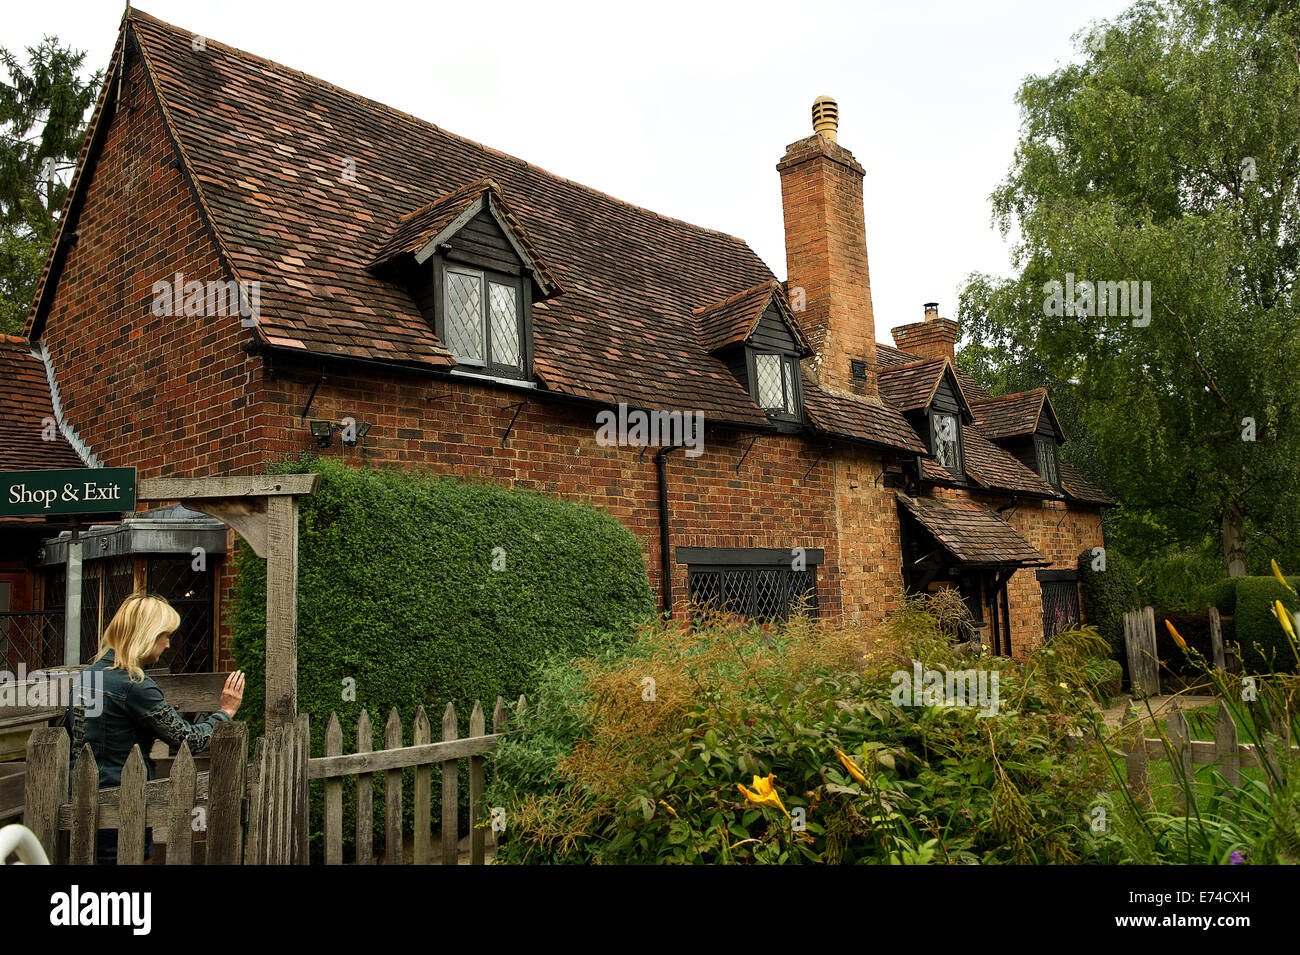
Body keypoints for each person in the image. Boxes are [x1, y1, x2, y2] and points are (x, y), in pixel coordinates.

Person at [66, 592, 245, 863]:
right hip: (123, 802)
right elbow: (187, 740)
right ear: (146, 635)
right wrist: (225, 712)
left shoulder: (87, 676)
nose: (169, 644)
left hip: (80, 798)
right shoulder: (134, 684)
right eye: (165, 635)